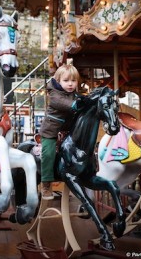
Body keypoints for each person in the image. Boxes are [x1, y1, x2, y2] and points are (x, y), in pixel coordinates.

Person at [40, 63, 84, 200]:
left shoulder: (75, 95)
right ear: (58, 81)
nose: (70, 84)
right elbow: (61, 102)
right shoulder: (54, 94)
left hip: (69, 133)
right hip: (51, 132)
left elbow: (82, 102)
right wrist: (75, 104)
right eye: (66, 81)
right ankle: (46, 183)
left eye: (73, 80)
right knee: (48, 153)